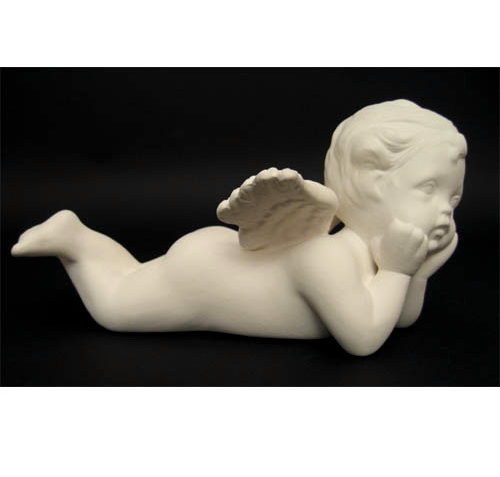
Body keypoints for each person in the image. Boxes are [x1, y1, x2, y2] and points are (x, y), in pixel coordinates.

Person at [11, 100, 466, 356]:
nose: (444, 210)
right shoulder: (325, 254)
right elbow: (364, 339)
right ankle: (74, 241)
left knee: (132, 277)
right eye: (428, 189)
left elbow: (398, 320)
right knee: (115, 308)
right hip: (206, 276)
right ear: (370, 182)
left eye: (453, 198)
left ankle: (82, 237)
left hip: (218, 261)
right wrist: (399, 271)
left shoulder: (369, 258)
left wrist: (417, 273)